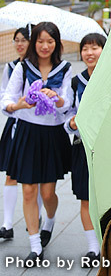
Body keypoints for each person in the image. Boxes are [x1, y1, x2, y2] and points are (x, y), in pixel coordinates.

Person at [0, 21, 72, 264]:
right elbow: (7, 101)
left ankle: (49, 221)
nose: (44, 46)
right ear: (34, 43)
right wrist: (19, 104)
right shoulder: (23, 67)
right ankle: (35, 246)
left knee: (48, 192)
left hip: (52, 135)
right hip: (27, 133)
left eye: (49, 41)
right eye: (40, 41)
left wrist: (57, 98)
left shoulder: (64, 68)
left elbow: (68, 104)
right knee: (29, 190)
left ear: (56, 44)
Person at [64, 32, 107, 266]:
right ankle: (93, 248)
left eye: (95, 48)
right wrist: (71, 123)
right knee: (85, 199)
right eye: (85, 48)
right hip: (82, 148)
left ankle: (108, 243)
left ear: (104, 50)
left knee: (108, 196)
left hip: (107, 150)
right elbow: (68, 113)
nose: (89, 53)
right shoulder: (75, 81)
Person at [0, 27, 30, 239]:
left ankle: (35, 220)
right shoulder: (10, 67)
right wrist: (14, 104)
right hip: (14, 124)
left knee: (33, 177)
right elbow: (4, 95)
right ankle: (7, 224)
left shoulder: (39, 68)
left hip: (34, 128)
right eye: (16, 40)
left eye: (24, 40)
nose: (20, 44)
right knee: (10, 174)